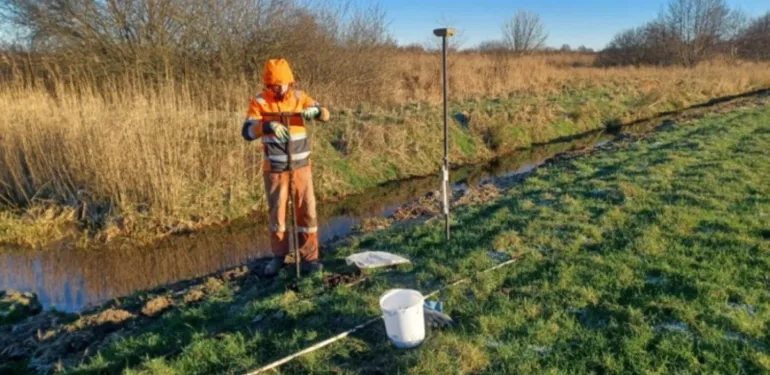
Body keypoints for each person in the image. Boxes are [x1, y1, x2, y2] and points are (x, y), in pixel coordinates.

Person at [241, 58, 330, 276]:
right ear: (268, 84)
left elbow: (326, 114)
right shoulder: (260, 102)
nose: (279, 88)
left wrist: (317, 112)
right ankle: (279, 256)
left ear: (290, 82)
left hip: (301, 166)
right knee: (278, 215)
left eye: (282, 84)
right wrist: (267, 126)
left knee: (306, 210)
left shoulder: (300, 98)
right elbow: (247, 131)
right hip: (275, 168)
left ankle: (309, 258)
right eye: (274, 85)